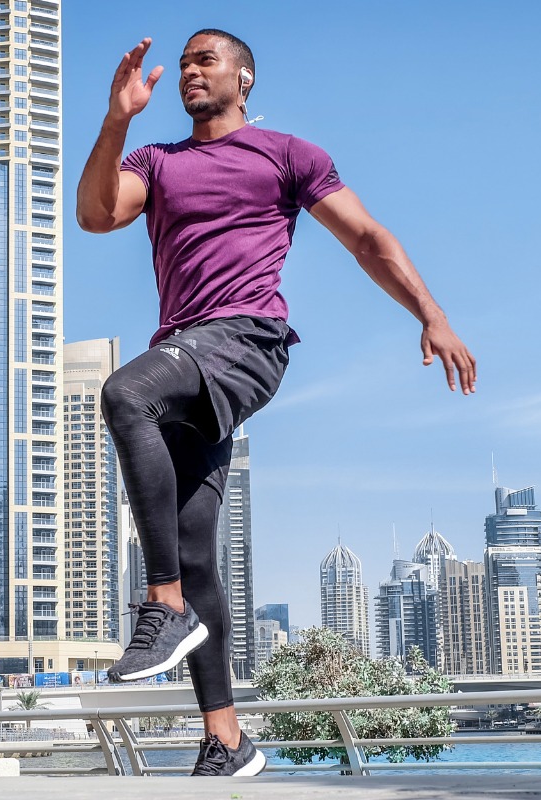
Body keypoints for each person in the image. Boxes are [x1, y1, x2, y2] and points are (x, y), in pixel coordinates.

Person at [75, 29, 476, 777]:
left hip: (247, 340)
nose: (192, 71)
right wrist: (116, 117)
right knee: (198, 551)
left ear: (244, 78)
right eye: (185, 63)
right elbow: (96, 215)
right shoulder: (157, 162)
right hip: (188, 350)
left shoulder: (288, 155)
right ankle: (227, 741)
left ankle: (161, 606)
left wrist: (432, 313)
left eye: (207, 60)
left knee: (125, 391)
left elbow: (366, 238)